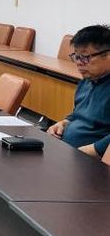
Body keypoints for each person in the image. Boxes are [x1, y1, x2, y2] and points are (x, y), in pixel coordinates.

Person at [47, 25, 110, 160]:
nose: (79, 63)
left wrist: (94, 150)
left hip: (92, 162)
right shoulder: (87, 81)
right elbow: (78, 113)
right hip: (67, 152)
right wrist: (64, 123)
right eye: (76, 56)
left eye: (85, 57)